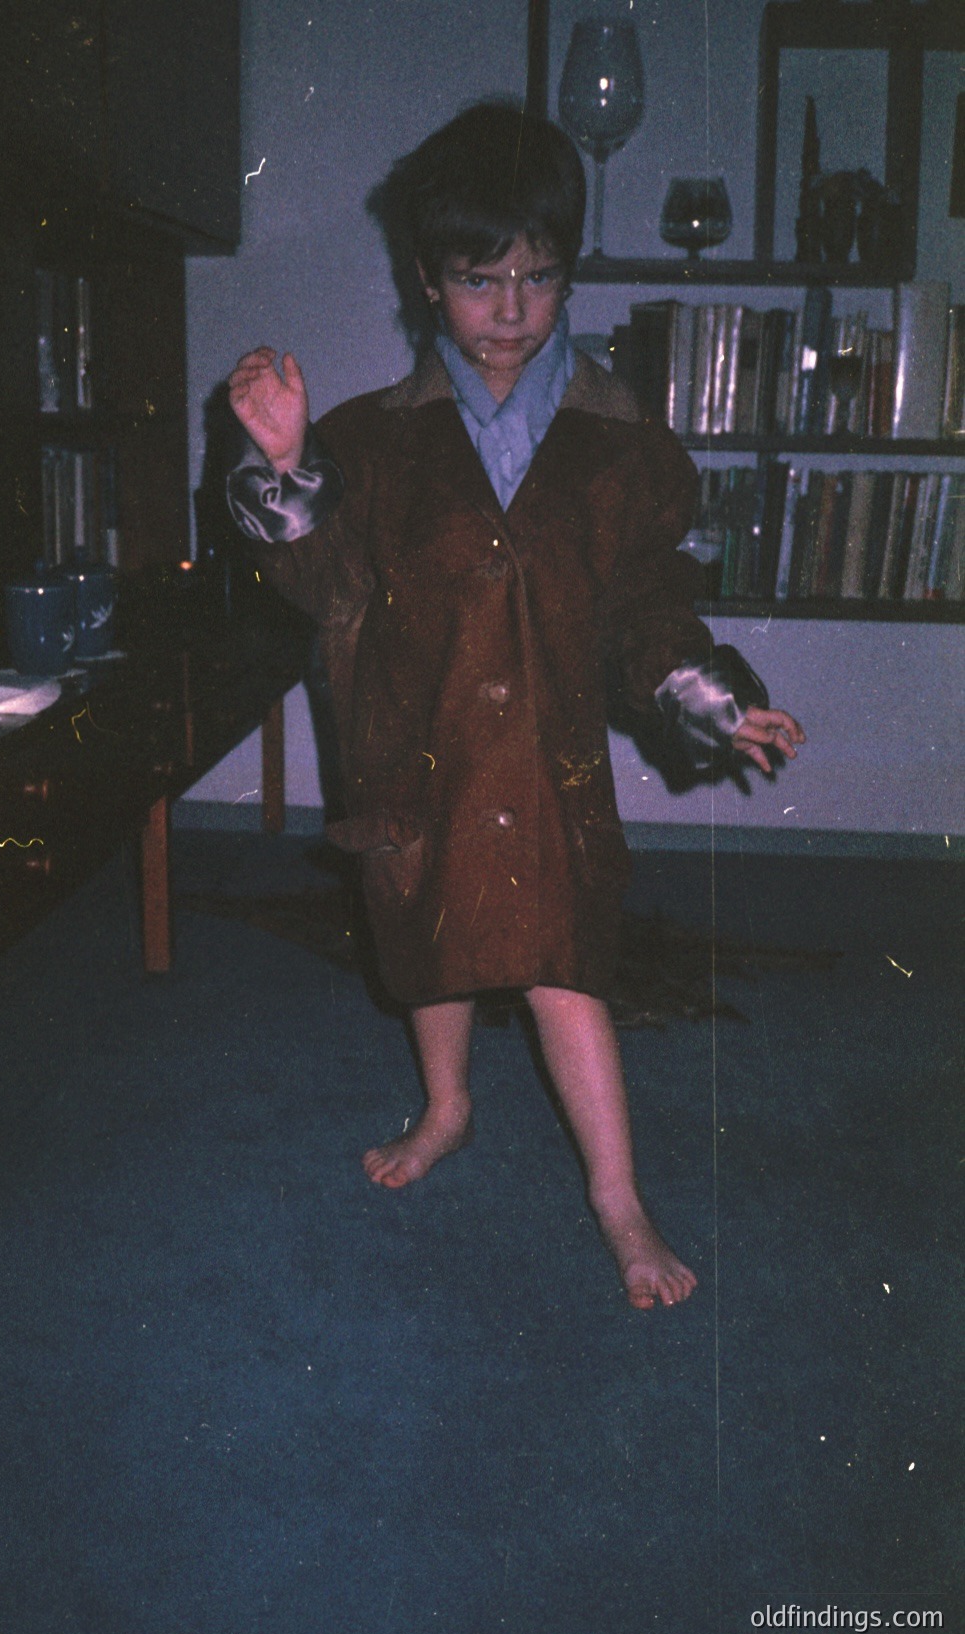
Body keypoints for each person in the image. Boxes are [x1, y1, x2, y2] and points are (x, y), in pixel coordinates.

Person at [224, 104, 805, 1309]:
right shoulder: (368, 443)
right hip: (410, 749)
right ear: (427, 281)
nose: (509, 308)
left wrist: (707, 695)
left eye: (538, 279)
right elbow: (323, 581)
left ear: (565, 276)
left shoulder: (618, 449)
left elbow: (645, 601)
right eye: (479, 280)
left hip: (546, 767)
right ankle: (445, 1109)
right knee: (426, 946)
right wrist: (281, 469)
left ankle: (617, 1195)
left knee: (561, 970)